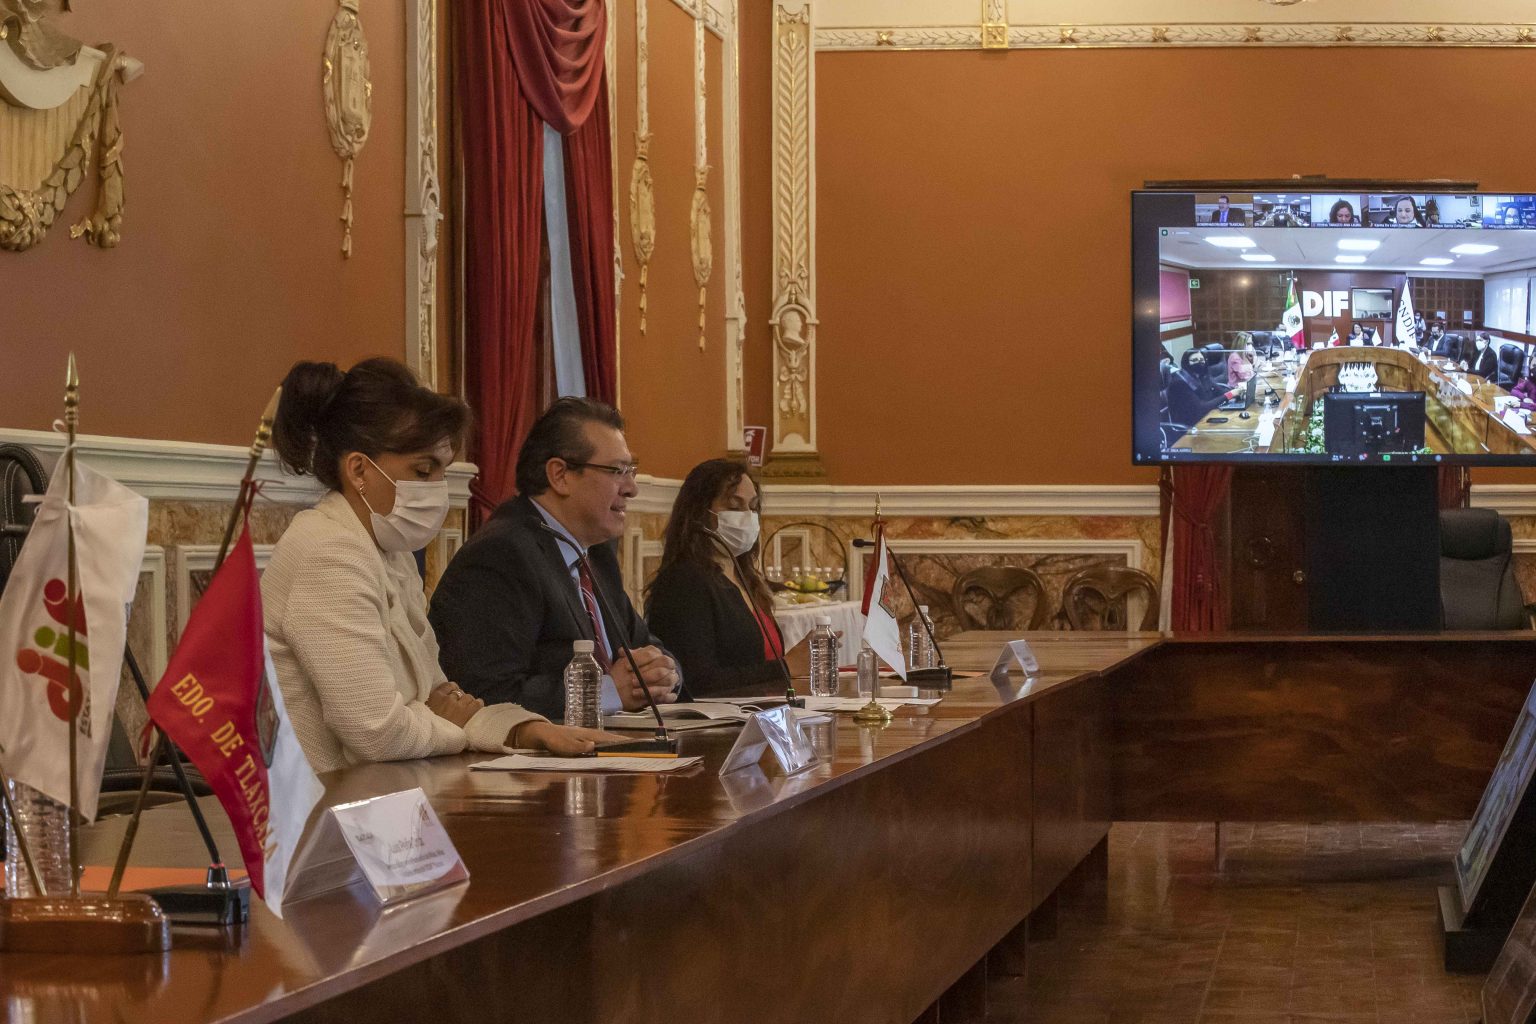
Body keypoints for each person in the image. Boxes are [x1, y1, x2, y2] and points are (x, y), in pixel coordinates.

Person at [261, 358, 616, 773]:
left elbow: (440, 695)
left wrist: (526, 730)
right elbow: (377, 731)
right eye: (423, 470)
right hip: (325, 812)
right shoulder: (328, 552)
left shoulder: (387, 552)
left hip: (390, 793)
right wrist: (457, 726)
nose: (437, 489)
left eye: (442, 472)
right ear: (358, 469)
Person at [430, 397, 681, 720]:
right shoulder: (501, 554)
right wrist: (606, 692)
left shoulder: (596, 555)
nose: (631, 488)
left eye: (631, 470)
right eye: (617, 471)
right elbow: (484, 693)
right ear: (560, 475)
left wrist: (663, 673)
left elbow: (651, 648)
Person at [645, 460, 812, 698]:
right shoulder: (684, 581)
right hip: (716, 727)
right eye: (734, 507)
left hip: (759, 715)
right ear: (700, 512)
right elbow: (695, 679)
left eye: (753, 507)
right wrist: (786, 667)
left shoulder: (744, 577)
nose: (747, 517)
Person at [1167, 349, 1240, 427]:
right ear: (1186, 363)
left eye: (1201, 360)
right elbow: (1201, 408)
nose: (1199, 362)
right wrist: (1230, 395)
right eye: (1194, 360)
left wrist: (1238, 391)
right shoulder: (1180, 382)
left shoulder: (1201, 375)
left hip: (1206, 417)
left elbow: (1220, 392)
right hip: (1190, 427)